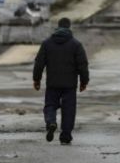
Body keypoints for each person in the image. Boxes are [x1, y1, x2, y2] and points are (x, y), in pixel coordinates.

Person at [33, 17, 89, 145]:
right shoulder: (76, 45)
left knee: (50, 105)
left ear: (57, 27)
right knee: (69, 109)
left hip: (52, 83)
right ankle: (65, 136)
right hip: (70, 85)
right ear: (69, 27)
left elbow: (39, 64)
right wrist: (84, 81)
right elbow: (83, 65)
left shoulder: (47, 44)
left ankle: (51, 122)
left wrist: (37, 79)